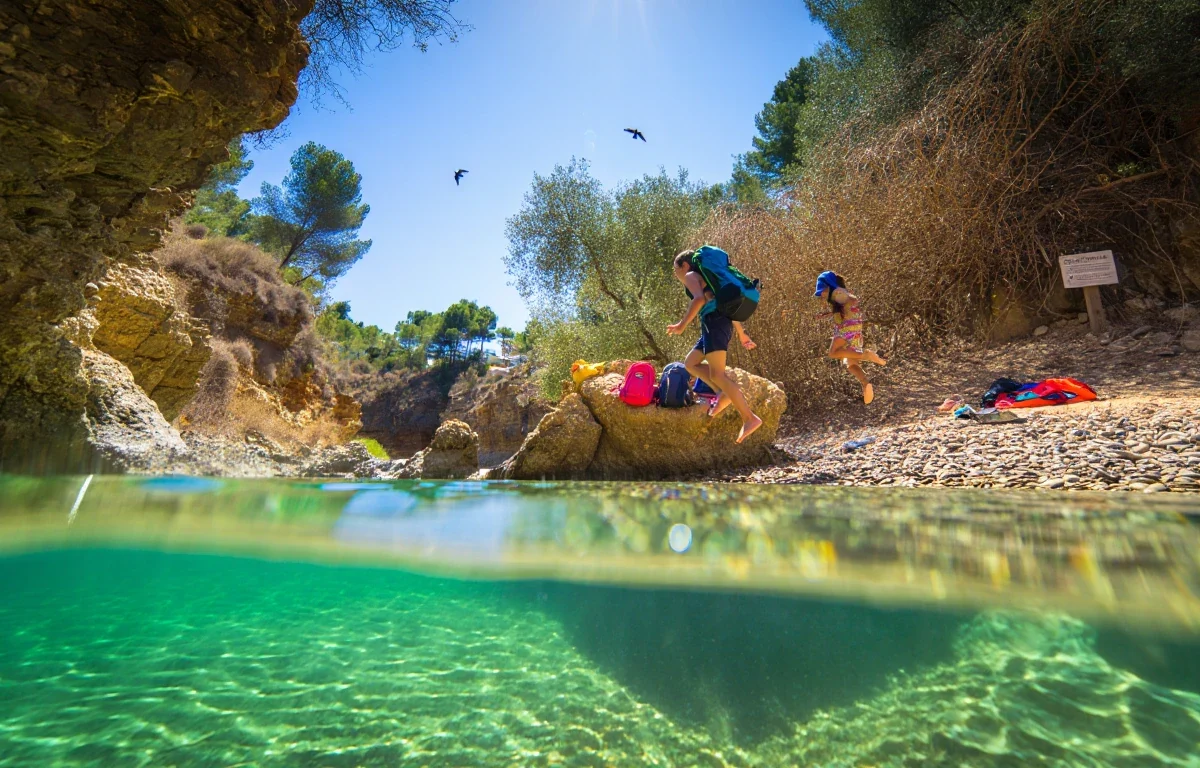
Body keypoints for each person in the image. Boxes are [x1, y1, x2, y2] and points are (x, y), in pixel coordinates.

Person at [666, 250, 763, 444]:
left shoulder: (692, 275)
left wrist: (681, 325)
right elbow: (728, 308)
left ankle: (749, 418)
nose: (676, 274)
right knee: (691, 363)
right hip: (716, 324)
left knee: (717, 374)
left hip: (714, 324)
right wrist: (742, 335)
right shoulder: (711, 281)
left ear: (684, 266)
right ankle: (721, 392)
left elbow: (699, 300)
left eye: (675, 270)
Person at [814, 270, 887, 404]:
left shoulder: (838, 293)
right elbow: (845, 307)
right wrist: (828, 314)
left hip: (845, 331)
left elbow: (852, 300)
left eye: (823, 291)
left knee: (832, 353)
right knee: (850, 363)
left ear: (829, 285)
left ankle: (866, 355)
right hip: (855, 331)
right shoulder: (837, 295)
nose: (823, 295)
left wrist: (847, 305)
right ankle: (865, 385)